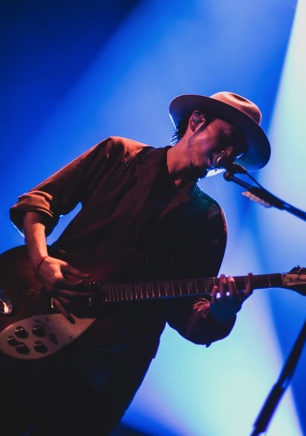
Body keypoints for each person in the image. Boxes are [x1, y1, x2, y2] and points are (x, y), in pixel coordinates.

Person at [2, 91, 271, 436]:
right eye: (228, 138)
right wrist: (41, 261)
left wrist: (222, 312)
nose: (230, 154)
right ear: (197, 120)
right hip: (37, 313)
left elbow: (188, 312)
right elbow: (39, 202)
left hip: (105, 370)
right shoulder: (119, 155)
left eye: (238, 151)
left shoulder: (208, 220)